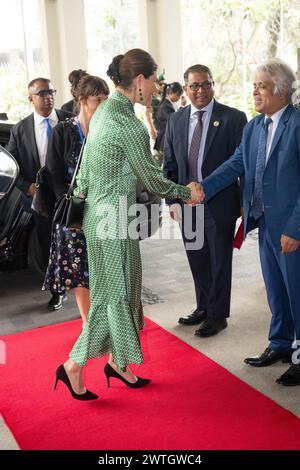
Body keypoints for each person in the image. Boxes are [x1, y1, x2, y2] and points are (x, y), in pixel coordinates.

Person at [54, 49, 202, 400]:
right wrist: (187, 192)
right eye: (153, 81)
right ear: (139, 80)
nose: (156, 88)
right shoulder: (128, 124)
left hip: (101, 217)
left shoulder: (103, 111)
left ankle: (119, 363)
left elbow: (86, 170)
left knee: (127, 288)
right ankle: (73, 365)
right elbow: (152, 180)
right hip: (113, 221)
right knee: (114, 295)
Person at [199, 58, 300, 386]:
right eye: (253, 85)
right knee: (276, 289)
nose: (254, 91)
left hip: (290, 227)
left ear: (282, 90)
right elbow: (235, 164)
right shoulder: (255, 126)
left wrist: (294, 228)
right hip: (263, 222)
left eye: (261, 85)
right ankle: (280, 343)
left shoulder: (297, 125)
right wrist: (202, 188)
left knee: (297, 291)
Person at [163, 64, 247, 337]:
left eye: (206, 84)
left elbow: (242, 164)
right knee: (197, 257)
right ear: (185, 89)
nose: (201, 90)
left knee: (219, 260)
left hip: (220, 203)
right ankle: (203, 307)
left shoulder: (233, 118)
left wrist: (246, 204)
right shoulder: (176, 120)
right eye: (194, 85)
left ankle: (218, 315)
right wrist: (172, 200)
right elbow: (170, 164)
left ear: (213, 84)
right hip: (187, 205)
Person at [43, 75, 109, 327]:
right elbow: (54, 171)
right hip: (74, 214)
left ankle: (104, 316)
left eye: (105, 99)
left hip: (104, 210)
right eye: (97, 99)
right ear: (81, 100)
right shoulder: (63, 130)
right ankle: (87, 322)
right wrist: (70, 201)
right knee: (80, 270)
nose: (102, 104)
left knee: (103, 267)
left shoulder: (108, 130)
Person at [7, 78, 72, 311]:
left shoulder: (68, 120)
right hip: (41, 198)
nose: (48, 96)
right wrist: (27, 187)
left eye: (51, 91)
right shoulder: (20, 129)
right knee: (48, 243)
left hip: (70, 194)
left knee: (77, 241)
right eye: (42, 93)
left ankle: (84, 283)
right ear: (31, 98)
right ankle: (58, 291)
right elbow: (11, 166)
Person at [154, 82, 183, 157]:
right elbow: (174, 120)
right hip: (164, 140)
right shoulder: (165, 105)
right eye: (178, 95)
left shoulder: (171, 104)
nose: (179, 98)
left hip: (167, 138)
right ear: (170, 92)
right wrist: (182, 107)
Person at [144, 70, 166, 141]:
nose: (162, 86)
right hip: (156, 128)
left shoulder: (164, 96)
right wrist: (151, 128)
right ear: (156, 84)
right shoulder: (151, 97)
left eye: (163, 84)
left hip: (164, 129)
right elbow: (147, 113)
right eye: (160, 84)